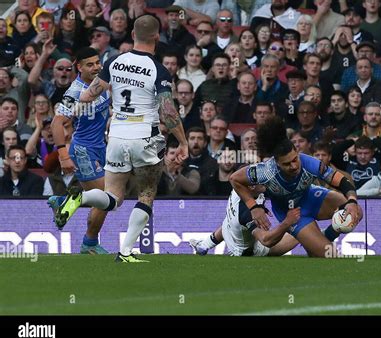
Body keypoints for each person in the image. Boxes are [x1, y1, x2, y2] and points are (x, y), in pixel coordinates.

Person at [54, 15, 188, 262]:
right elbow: (168, 112)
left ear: (133, 35)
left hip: (116, 136)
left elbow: (90, 93)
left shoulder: (114, 62)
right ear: (157, 36)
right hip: (144, 136)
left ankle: (78, 198)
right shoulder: (158, 70)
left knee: (113, 197)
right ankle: (125, 251)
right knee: (146, 193)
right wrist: (182, 142)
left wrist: (67, 107)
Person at [228, 117, 363, 258]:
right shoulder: (265, 171)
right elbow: (234, 179)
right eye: (287, 164)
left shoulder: (310, 163)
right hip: (291, 214)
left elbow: (342, 181)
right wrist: (253, 207)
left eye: (295, 159)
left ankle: (323, 236)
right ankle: (314, 242)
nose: (294, 166)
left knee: (357, 211)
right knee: (331, 255)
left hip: (311, 198)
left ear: (297, 153)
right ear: (277, 163)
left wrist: (352, 201)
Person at [48, 47, 110, 255]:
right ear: (79, 67)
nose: (95, 67)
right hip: (83, 149)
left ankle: (64, 202)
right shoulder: (75, 92)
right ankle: (89, 244)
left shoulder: (101, 82)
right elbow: (57, 124)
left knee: (107, 198)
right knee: (106, 197)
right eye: (89, 64)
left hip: (101, 147)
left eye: (97, 62)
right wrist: (63, 155)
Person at [189, 187, 301, 256]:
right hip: (245, 251)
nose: (264, 181)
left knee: (228, 222)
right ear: (251, 186)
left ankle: (203, 245)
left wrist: (261, 207)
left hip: (229, 229)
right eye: (261, 180)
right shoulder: (247, 214)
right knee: (298, 232)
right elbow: (266, 240)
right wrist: (287, 222)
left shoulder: (239, 189)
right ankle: (314, 234)